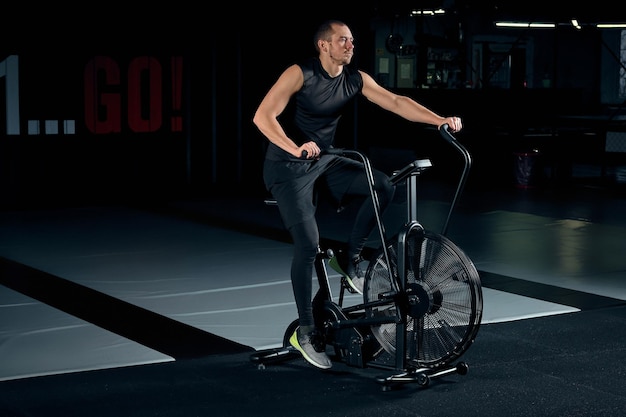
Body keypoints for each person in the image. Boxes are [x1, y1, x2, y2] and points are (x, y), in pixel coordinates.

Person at [252, 19, 463, 370]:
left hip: (324, 161)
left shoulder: (354, 80)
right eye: (343, 40)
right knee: (307, 244)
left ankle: (349, 261)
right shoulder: (300, 73)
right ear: (324, 45)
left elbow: (396, 101)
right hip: (287, 166)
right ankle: (304, 333)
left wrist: (438, 119)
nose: (351, 45)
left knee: (382, 184)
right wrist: (295, 148)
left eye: (352, 40)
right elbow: (263, 116)